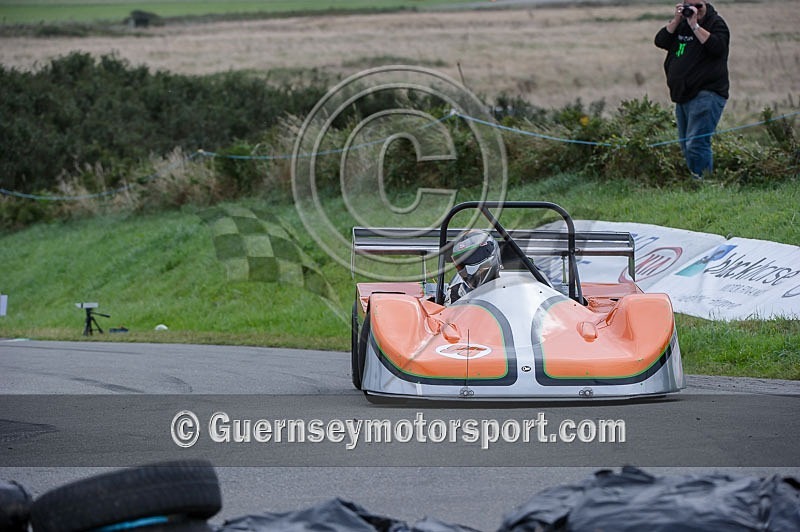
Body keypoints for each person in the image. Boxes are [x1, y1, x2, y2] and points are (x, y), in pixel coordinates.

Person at [654, 2, 730, 179]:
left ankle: (705, 184)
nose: (694, 9)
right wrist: (677, 19)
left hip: (707, 92)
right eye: (689, 5)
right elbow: (660, 41)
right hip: (682, 95)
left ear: (705, 4)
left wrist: (695, 25)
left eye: (698, 5)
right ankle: (696, 181)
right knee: (686, 144)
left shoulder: (716, 23)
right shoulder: (681, 25)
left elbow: (717, 47)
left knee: (696, 143)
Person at [448, 230, 501, 303]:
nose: (466, 267)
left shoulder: (510, 290)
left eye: (474, 257)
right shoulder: (455, 293)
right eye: (462, 261)